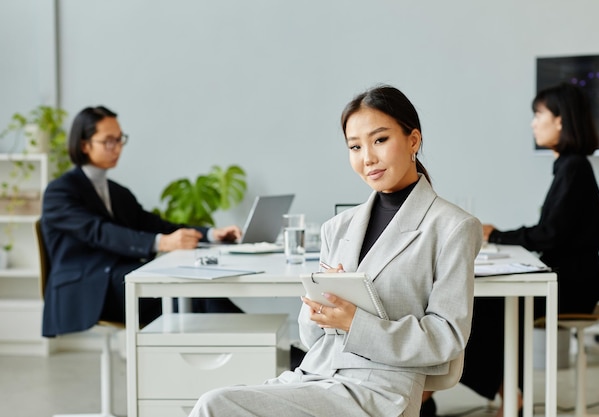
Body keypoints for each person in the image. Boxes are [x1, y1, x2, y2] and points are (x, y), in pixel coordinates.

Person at [188, 85, 482, 417]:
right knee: (216, 402)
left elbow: (446, 337)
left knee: (215, 405)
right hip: (314, 376)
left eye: (380, 140)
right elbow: (312, 336)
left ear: (413, 140)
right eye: (355, 147)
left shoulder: (452, 227)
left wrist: (356, 322)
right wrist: (322, 308)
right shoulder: (338, 227)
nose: (367, 157)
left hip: (380, 393)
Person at [422, 82, 599, 417]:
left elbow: (550, 234)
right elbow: (556, 233)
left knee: (480, 310)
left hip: (574, 286)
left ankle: (459, 394)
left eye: (539, 114)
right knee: (485, 308)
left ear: (561, 121)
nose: (533, 123)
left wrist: (497, 235)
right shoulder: (570, 167)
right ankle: (506, 394)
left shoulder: (574, 167)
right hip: (573, 278)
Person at [41, 106, 244, 338]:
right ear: (84, 145)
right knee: (190, 293)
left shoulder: (117, 192)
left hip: (123, 281)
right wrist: (162, 243)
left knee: (196, 292)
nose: (117, 147)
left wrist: (209, 234)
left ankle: (271, 357)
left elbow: (154, 224)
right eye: (108, 141)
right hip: (87, 290)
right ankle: (276, 358)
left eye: (119, 140)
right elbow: (99, 232)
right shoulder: (59, 192)